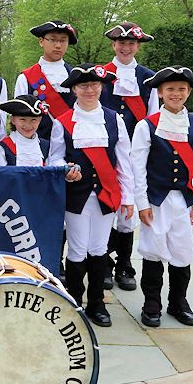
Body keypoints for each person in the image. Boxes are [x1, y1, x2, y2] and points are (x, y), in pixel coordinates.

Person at [51, 64, 134, 327]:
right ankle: (75, 302)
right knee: (76, 248)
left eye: (94, 85)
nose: (89, 90)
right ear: (74, 89)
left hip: (106, 194)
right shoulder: (61, 122)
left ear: (102, 87)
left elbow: (124, 162)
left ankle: (97, 303)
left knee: (99, 248)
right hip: (76, 196)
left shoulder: (114, 120)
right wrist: (66, 170)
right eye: (83, 86)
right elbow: (54, 157)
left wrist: (128, 197)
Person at [131, 66, 193, 328]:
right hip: (156, 199)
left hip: (184, 201)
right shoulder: (147, 126)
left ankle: (178, 302)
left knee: (183, 250)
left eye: (181, 89)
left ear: (188, 92)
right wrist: (142, 202)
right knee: (153, 250)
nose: (176, 94)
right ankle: (151, 303)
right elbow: (137, 167)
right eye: (170, 89)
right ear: (160, 93)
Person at [100, 22, 160, 291]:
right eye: (121, 43)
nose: (126, 48)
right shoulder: (101, 74)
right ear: (113, 45)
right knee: (102, 206)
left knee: (127, 211)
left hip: (134, 153)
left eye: (131, 44)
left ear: (138, 47)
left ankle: (124, 263)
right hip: (103, 150)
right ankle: (102, 263)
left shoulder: (148, 78)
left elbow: (152, 118)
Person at [14, 20, 78, 141]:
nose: (58, 45)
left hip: (71, 143)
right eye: (52, 40)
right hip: (38, 145)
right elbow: (19, 116)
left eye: (63, 40)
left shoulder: (76, 76)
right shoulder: (25, 78)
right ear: (41, 41)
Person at [0, 94, 75, 175]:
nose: (28, 125)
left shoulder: (45, 146)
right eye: (22, 119)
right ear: (13, 120)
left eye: (33, 120)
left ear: (40, 120)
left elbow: (52, 172)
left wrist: (65, 170)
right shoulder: (3, 148)